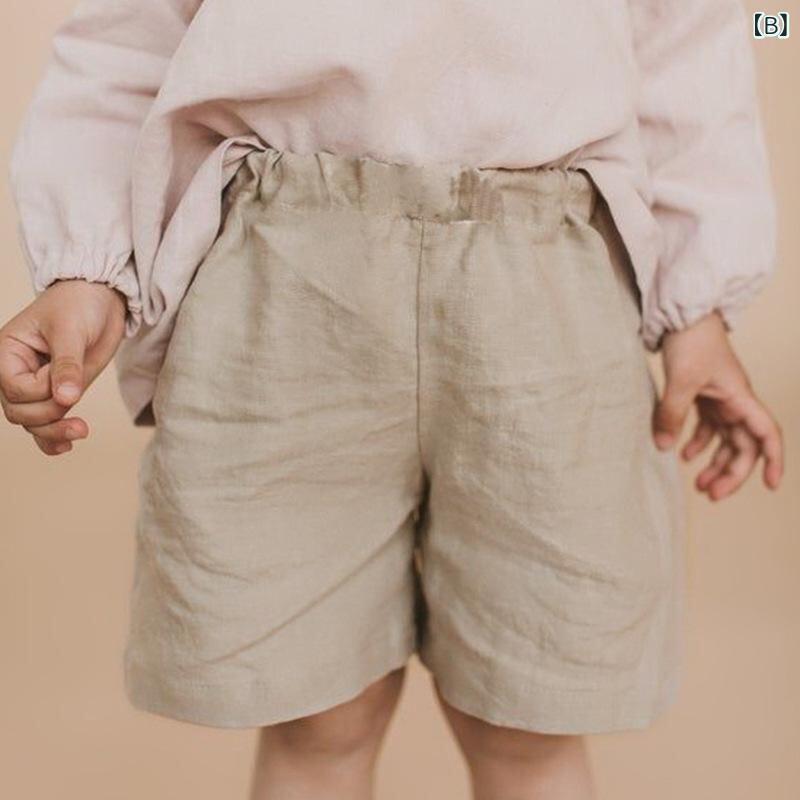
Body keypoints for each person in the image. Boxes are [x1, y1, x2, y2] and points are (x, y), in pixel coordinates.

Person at [1, 2, 785, 798]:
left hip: (552, 290)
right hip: (284, 281)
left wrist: (698, 306)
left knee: (529, 724)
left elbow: (694, 30)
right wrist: (87, 270)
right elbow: (128, 34)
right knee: (314, 719)